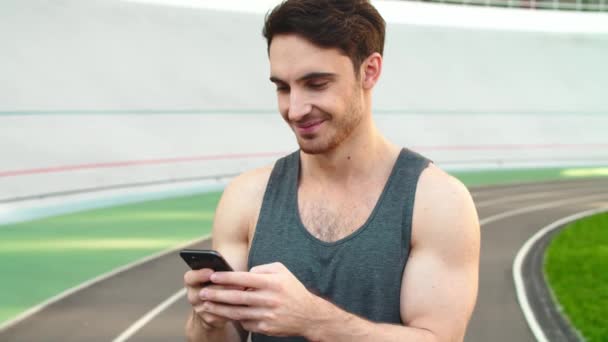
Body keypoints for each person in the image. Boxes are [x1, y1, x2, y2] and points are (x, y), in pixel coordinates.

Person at [184, 1, 480, 341]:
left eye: (316, 84)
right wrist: (208, 322)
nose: (295, 109)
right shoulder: (246, 197)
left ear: (369, 71)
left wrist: (315, 320)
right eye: (282, 87)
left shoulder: (437, 201)